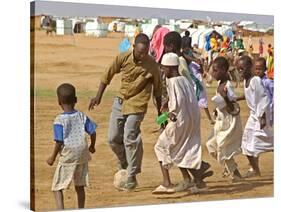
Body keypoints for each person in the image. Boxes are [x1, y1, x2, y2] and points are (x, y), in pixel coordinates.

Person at [88, 33, 162, 191]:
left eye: (146, 52)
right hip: (121, 101)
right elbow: (107, 74)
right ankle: (124, 162)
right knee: (113, 138)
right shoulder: (123, 57)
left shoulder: (152, 64)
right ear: (134, 47)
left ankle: (131, 176)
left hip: (138, 104)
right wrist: (98, 97)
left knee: (130, 136)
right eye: (140, 52)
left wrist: (160, 115)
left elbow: (158, 90)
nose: (143, 55)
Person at [161, 32, 213, 191]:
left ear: (170, 46)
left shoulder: (177, 71)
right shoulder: (181, 62)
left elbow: (183, 93)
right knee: (183, 146)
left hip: (183, 113)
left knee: (173, 146)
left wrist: (165, 115)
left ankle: (190, 174)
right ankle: (196, 176)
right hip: (187, 111)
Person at [152, 53, 208, 194]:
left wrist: (170, 113)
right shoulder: (184, 79)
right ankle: (191, 179)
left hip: (179, 121)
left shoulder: (173, 81)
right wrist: (168, 104)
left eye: (164, 68)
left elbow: (179, 101)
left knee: (161, 147)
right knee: (181, 149)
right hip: (190, 120)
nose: (162, 71)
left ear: (170, 68)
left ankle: (167, 183)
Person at [47, 83, 97, 209]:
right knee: (79, 186)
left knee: (57, 187)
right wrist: (92, 146)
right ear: (75, 100)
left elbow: (59, 141)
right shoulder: (81, 116)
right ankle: (81, 208)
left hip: (68, 155)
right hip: (82, 153)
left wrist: (52, 157)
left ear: (59, 102)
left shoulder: (59, 120)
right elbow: (93, 131)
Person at [206, 57, 243, 182]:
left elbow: (233, 108)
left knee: (222, 147)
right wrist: (216, 110)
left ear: (223, 70)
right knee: (211, 145)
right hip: (220, 120)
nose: (214, 73)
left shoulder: (228, 86)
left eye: (216, 70)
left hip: (229, 121)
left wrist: (226, 97)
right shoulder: (219, 84)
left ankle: (234, 172)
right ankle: (231, 168)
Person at [237, 56, 273, 178]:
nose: (240, 72)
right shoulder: (246, 81)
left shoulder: (255, 80)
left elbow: (264, 99)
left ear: (250, 67)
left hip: (261, 115)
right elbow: (248, 96)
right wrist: (234, 99)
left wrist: (262, 116)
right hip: (253, 117)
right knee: (246, 144)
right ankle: (255, 170)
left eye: (242, 69)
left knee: (265, 140)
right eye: (238, 69)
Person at [254, 57, 274, 126]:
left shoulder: (268, 82)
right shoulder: (255, 81)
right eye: (256, 69)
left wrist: (271, 108)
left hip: (269, 110)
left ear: (265, 69)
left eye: (259, 69)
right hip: (259, 110)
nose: (257, 71)